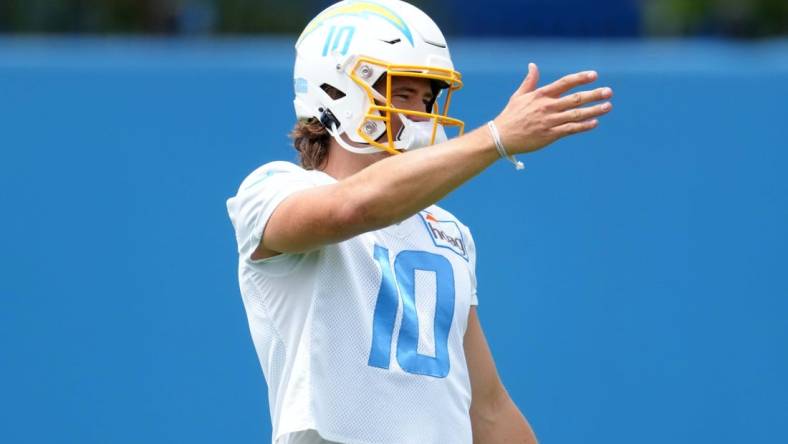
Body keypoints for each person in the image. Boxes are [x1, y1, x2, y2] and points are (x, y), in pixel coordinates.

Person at [226, 1, 613, 443]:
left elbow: (485, 407)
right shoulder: (271, 189)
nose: (421, 113)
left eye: (427, 98)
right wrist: (495, 139)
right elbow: (351, 209)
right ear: (332, 90)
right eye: (402, 93)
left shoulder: (447, 231)